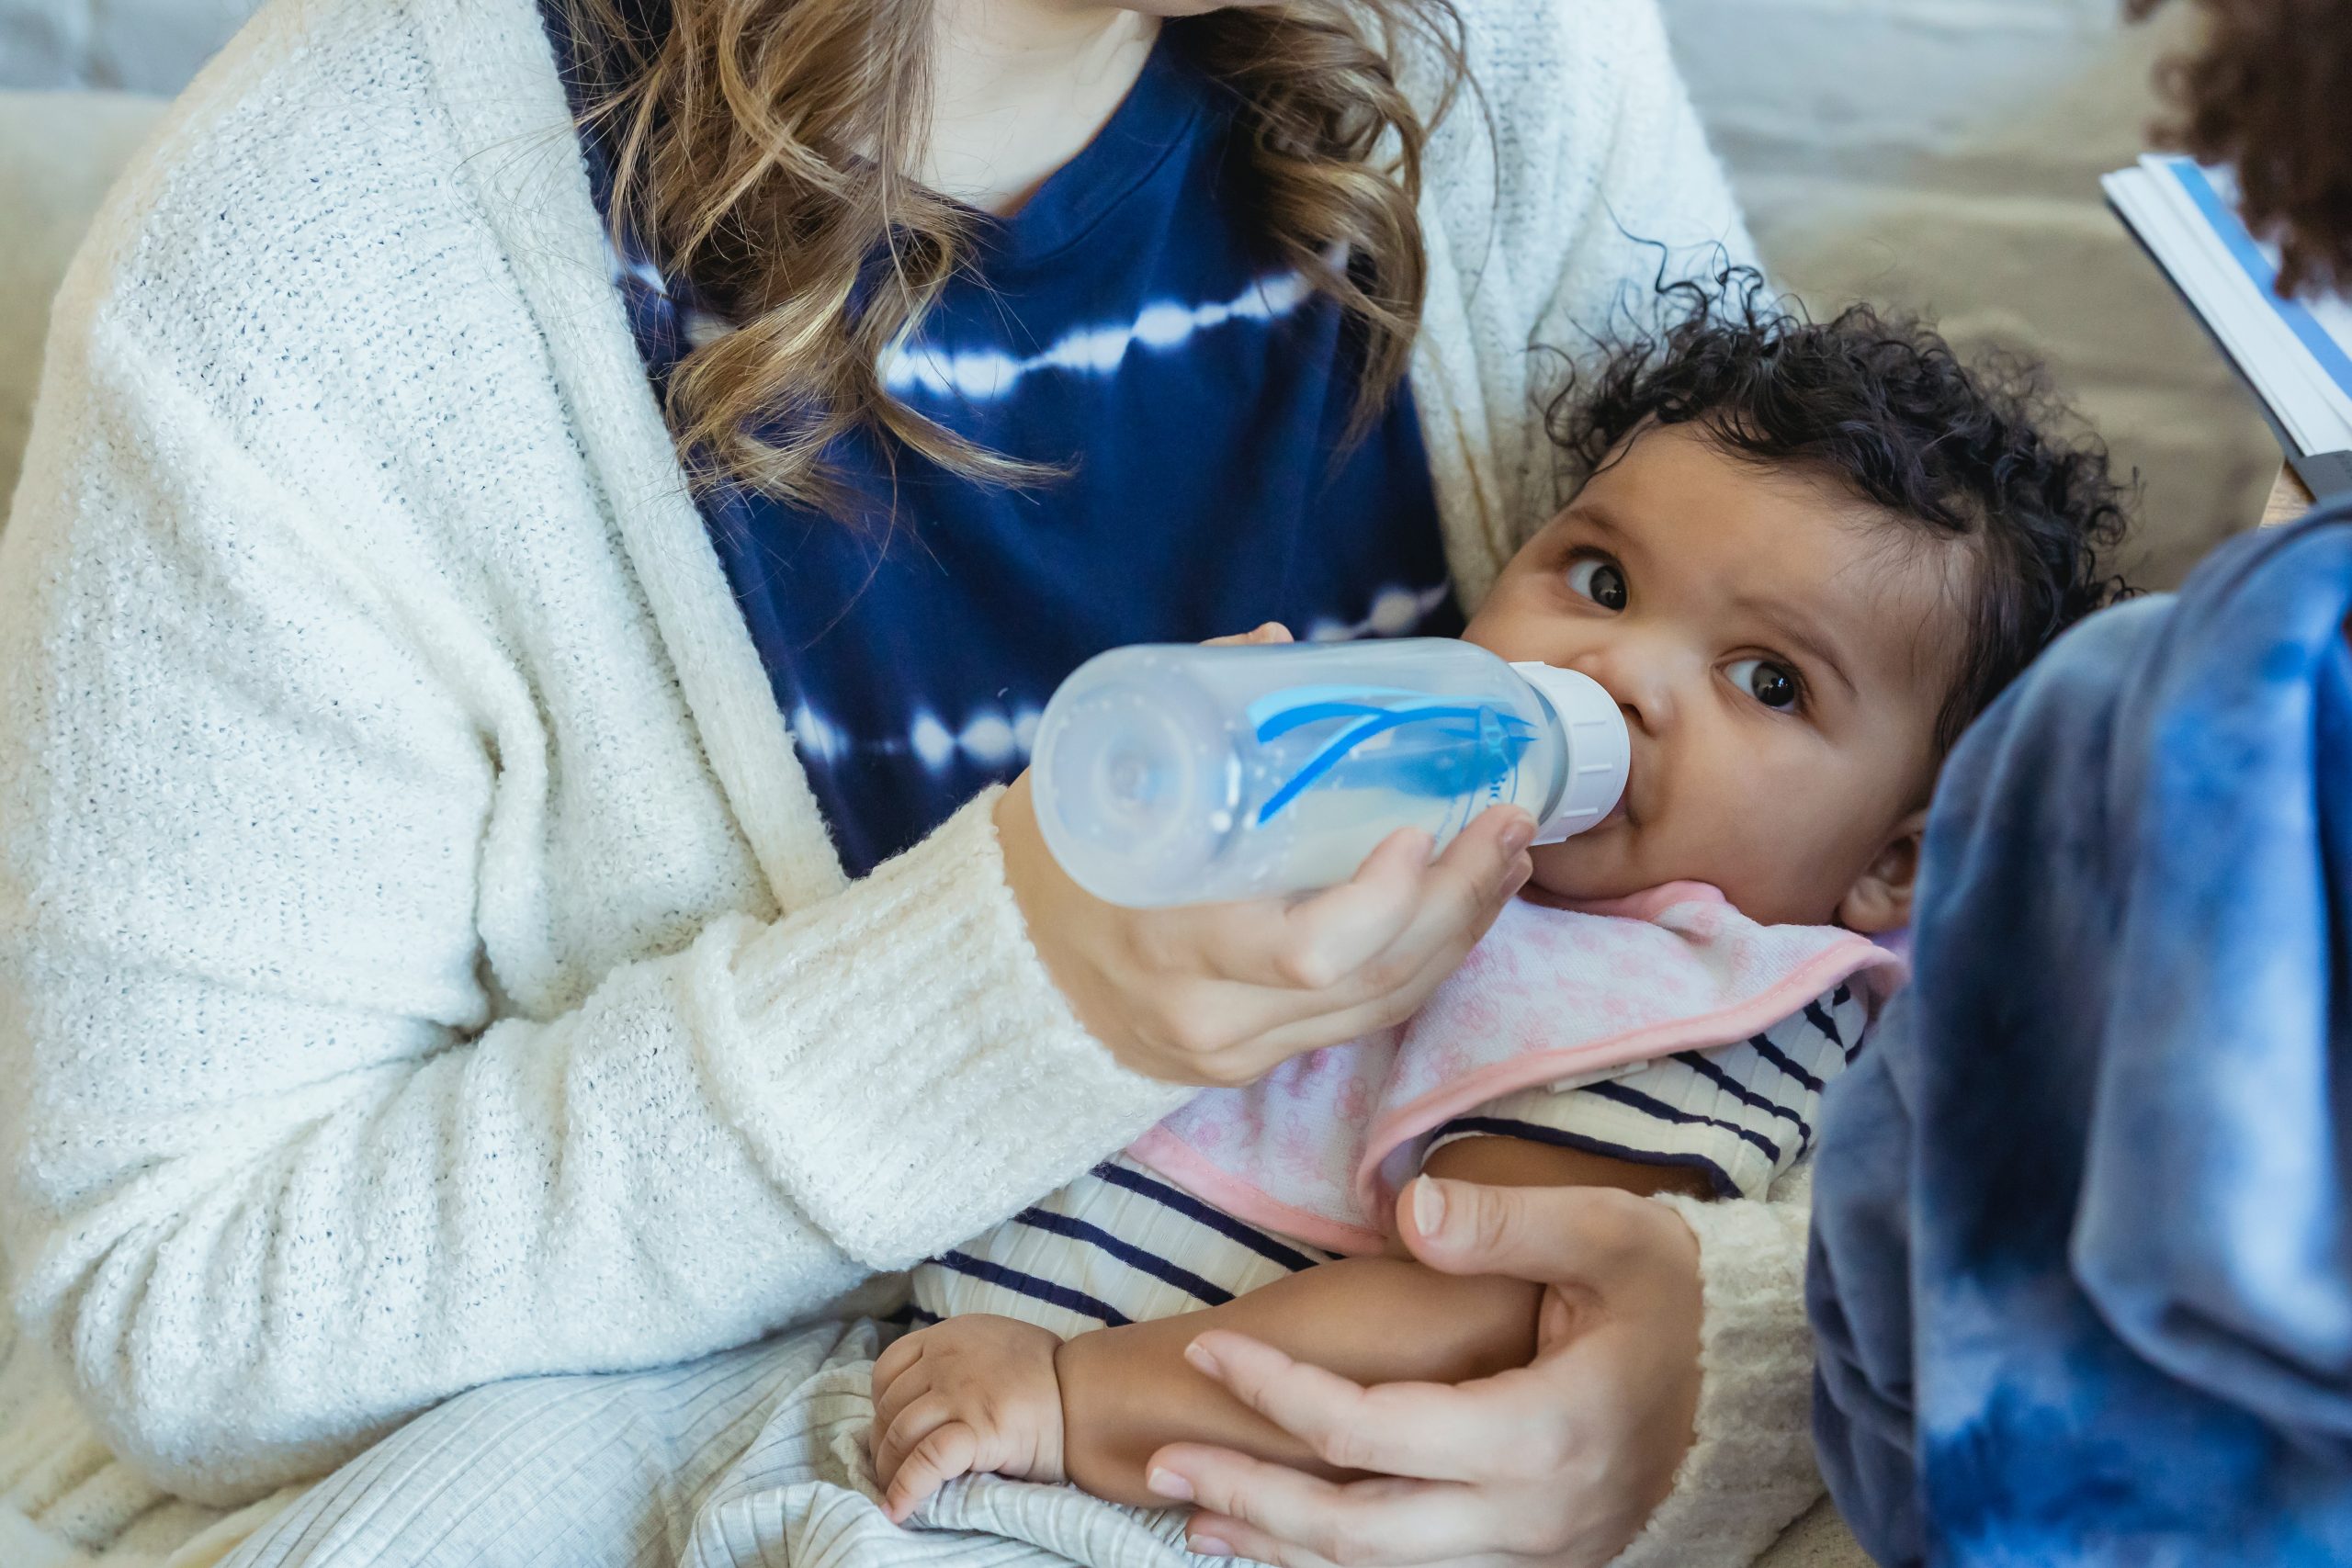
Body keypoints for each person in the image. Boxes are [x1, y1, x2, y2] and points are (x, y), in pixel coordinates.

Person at [0, 4, 1812, 1568]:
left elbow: (1885, 838)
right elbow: (177, 1309)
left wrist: (1719, 1362)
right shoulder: (305, 270)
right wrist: (1012, 989)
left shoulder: (1506, 49)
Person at [865, 289, 2130, 1529]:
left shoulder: (1704, 1001)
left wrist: (1067, 1399)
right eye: (1603, 579)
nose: (1618, 672)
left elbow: (1472, 1320)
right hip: (956, 1412)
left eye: (1767, 680)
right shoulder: (1399, 798)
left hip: (1179, 1495)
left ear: (1892, 868)